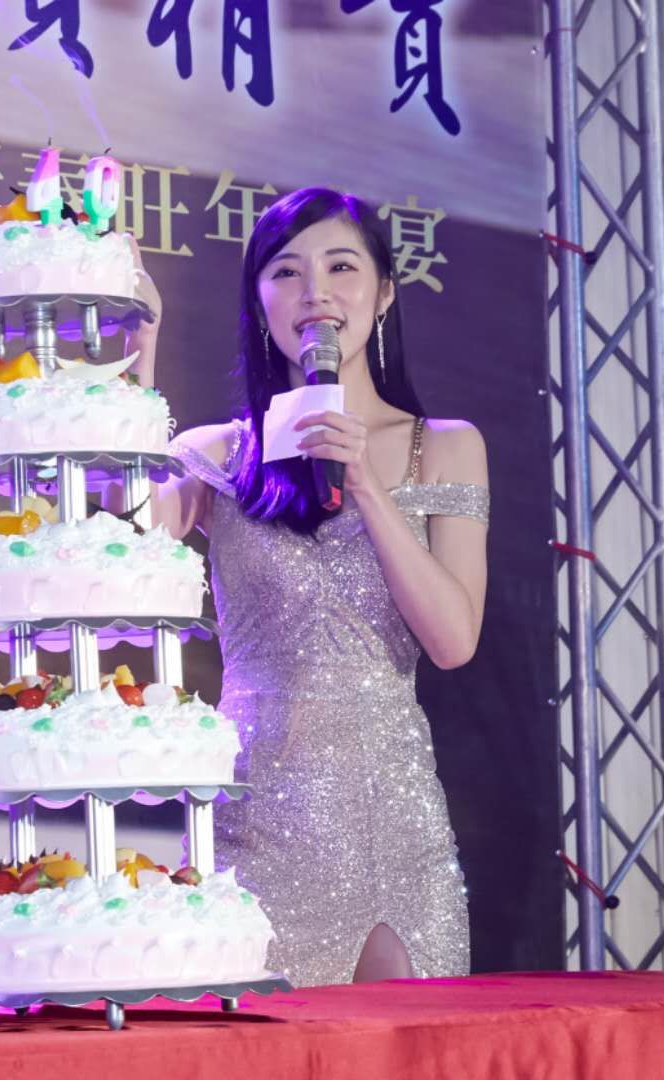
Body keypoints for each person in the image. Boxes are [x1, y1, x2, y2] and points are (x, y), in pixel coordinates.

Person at [130, 187, 488, 986]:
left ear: (384, 293)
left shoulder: (445, 447)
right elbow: (120, 544)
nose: (315, 292)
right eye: (286, 272)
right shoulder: (217, 456)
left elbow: (453, 640)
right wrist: (138, 354)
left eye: (341, 267)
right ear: (260, 303)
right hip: (254, 823)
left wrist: (364, 482)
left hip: (395, 830)